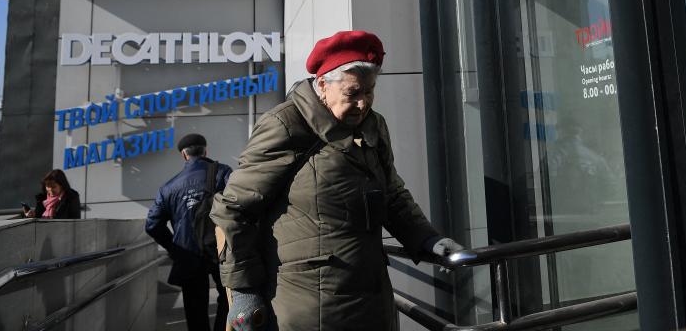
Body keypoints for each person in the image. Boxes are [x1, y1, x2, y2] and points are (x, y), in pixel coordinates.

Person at [211, 30, 463, 331]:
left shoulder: (374, 125)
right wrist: (244, 293)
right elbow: (234, 210)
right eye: (352, 93)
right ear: (323, 85)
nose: (363, 103)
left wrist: (427, 239)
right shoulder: (286, 124)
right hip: (307, 305)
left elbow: (391, 193)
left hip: (371, 296)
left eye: (369, 91)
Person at [146, 133, 233, 331]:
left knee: (195, 308)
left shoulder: (168, 188)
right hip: (221, 249)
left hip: (187, 253)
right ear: (205, 151)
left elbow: (152, 224)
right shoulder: (222, 173)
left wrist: (173, 248)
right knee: (228, 298)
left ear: (184, 155)